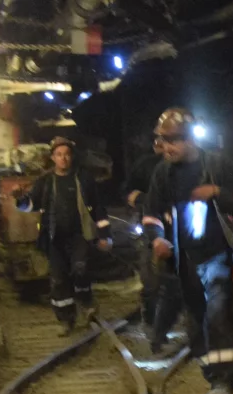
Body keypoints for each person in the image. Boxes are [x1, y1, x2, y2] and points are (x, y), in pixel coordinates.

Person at [143, 107, 233, 394]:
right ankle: (213, 376)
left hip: (216, 253)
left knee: (217, 313)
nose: (167, 147)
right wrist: (157, 238)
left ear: (190, 140)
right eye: (163, 140)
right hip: (184, 259)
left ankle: (224, 382)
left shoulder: (216, 166)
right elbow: (151, 213)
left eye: (173, 140)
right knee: (197, 321)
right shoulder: (163, 173)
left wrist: (216, 192)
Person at [13, 137, 112, 335]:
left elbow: (98, 208)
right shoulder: (46, 181)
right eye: (59, 155)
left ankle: (85, 301)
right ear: (53, 158)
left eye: (66, 154)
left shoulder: (83, 179)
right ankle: (66, 319)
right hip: (54, 238)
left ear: (72, 156)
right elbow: (31, 206)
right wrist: (19, 199)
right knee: (59, 279)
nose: (63, 158)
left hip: (79, 235)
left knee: (80, 269)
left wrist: (105, 235)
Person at [125, 135, 183, 354]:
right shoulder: (146, 166)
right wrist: (144, 200)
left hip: (179, 228)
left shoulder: (190, 165)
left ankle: (166, 329)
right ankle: (151, 321)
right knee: (152, 281)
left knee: (177, 283)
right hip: (152, 227)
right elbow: (128, 192)